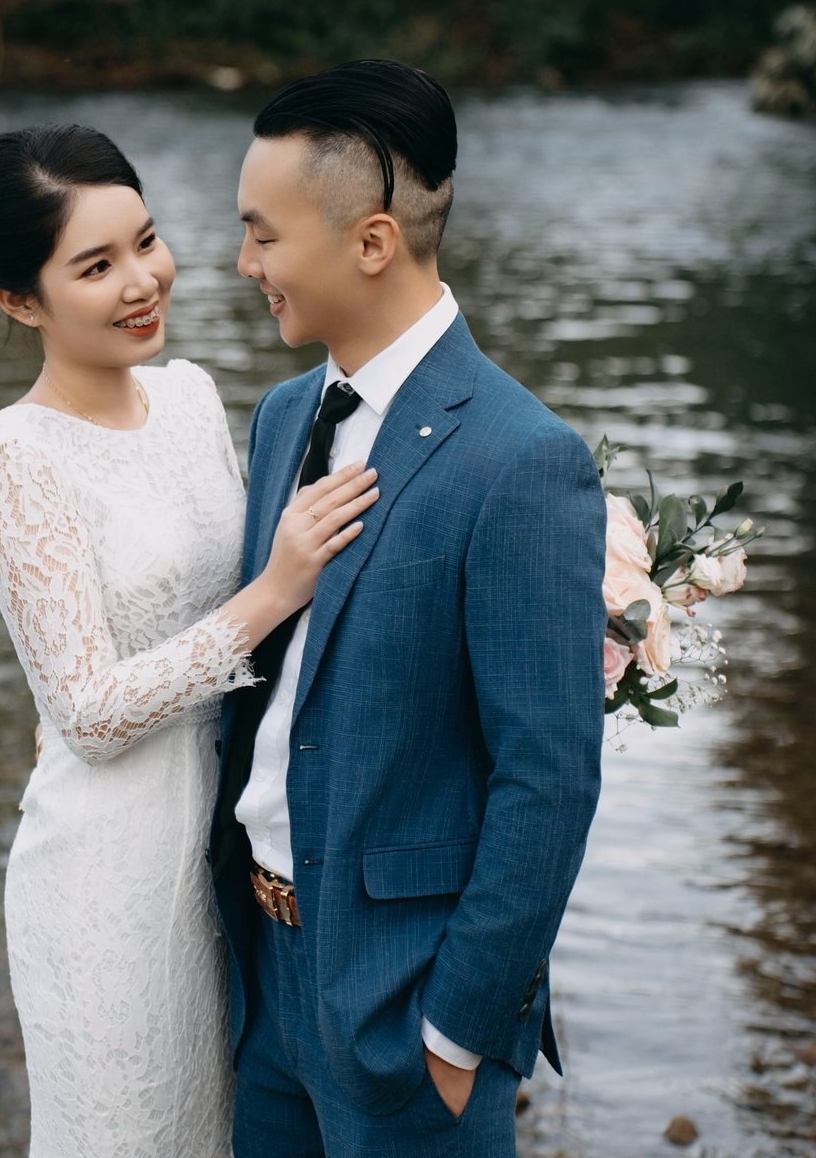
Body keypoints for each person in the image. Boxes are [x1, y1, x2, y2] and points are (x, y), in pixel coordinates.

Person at [209, 59, 608, 1157]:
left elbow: (551, 774)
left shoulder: (523, 461)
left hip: (405, 1004)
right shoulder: (287, 415)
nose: (245, 264)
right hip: (267, 987)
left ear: (372, 241)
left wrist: (456, 1028)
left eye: (264, 235)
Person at [0, 124, 380, 1156]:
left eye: (146, 241)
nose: (143, 280)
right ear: (21, 299)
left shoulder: (191, 398)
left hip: (224, 850)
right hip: (107, 874)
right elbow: (90, 712)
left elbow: (267, 597)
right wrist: (274, 590)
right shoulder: (16, 453)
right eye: (96, 266)